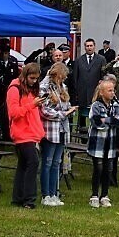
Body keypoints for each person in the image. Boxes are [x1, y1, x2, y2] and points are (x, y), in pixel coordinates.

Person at [7, 62, 45, 209]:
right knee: (33, 162)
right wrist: (32, 105)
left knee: (23, 165)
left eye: (36, 78)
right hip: (21, 133)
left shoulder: (29, 89)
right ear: (25, 75)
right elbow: (14, 113)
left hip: (31, 131)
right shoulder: (14, 89)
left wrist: (37, 104)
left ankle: (18, 198)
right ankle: (29, 199)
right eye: (32, 78)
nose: (34, 81)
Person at [39, 62, 76, 207]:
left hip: (62, 129)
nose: (63, 80)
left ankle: (54, 193)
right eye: (62, 77)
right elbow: (44, 110)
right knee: (47, 162)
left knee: (57, 163)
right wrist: (63, 113)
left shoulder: (63, 87)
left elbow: (65, 104)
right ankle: (45, 195)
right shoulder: (44, 87)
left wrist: (69, 109)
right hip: (50, 129)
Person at [87, 79, 119, 208]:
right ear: (102, 92)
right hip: (98, 143)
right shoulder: (96, 105)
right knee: (98, 168)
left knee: (108, 169)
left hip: (110, 142)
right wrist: (110, 121)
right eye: (109, 90)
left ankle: (105, 195)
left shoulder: (116, 105)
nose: (112, 93)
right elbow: (96, 122)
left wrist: (106, 120)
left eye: (113, 90)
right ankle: (94, 195)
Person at [0, 38, 20, 140]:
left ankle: (7, 135)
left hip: (9, 90)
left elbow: (15, 76)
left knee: (8, 113)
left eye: (7, 51)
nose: (6, 54)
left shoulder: (13, 61)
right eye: (4, 51)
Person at [70, 38, 104, 132]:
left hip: (95, 93)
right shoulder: (79, 60)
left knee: (95, 115)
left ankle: (95, 132)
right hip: (82, 93)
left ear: (94, 46)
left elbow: (103, 76)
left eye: (91, 46)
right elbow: (75, 78)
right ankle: (82, 136)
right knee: (82, 117)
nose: (89, 48)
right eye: (87, 46)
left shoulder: (101, 59)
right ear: (84, 47)